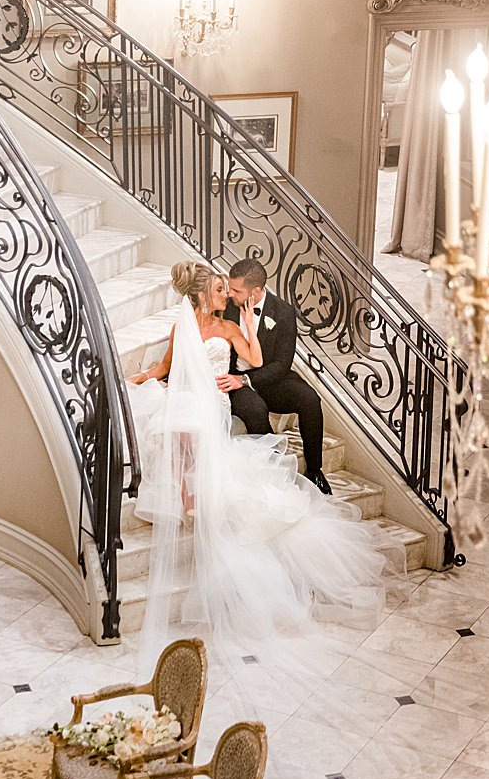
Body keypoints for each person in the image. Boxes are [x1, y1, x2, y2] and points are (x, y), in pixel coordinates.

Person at [125, 262, 399, 679]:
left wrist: (249, 331)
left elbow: (257, 359)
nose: (227, 297)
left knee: (214, 416)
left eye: (231, 291)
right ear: (204, 296)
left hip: (231, 389)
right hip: (195, 396)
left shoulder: (238, 324)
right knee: (173, 417)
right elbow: (165, 366)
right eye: (221, 291)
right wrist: (141, 377)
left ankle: (294, 472)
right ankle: (187, 491)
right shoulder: (186, 327)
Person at [222, 259, 331, 494]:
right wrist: (239, 381)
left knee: (310, 400)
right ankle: (276, 470)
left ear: (257, 291)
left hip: (270, 378)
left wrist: (249, 380)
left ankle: (314, 470)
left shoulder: (282, 312)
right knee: (256, 409)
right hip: (235, 378)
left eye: (237, 290)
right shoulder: (225, 307)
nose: (230, 293)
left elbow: (283, 364)